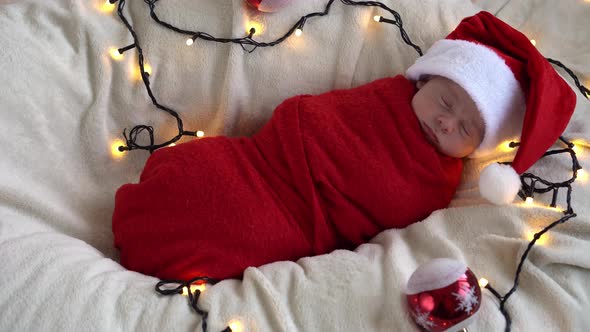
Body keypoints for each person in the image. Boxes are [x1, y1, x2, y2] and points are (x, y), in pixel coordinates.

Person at [112, 11, 576, 281]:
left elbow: (388, 210)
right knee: (201, 169)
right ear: (428, 79)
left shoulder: (439, 180)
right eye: (447, 100)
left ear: (480, 146)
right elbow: (310, 118)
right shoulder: (386, 98)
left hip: (297, 216)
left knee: (243, 227)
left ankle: (159, 241)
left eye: (467, 129)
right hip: (264, 162)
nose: (446, 121)